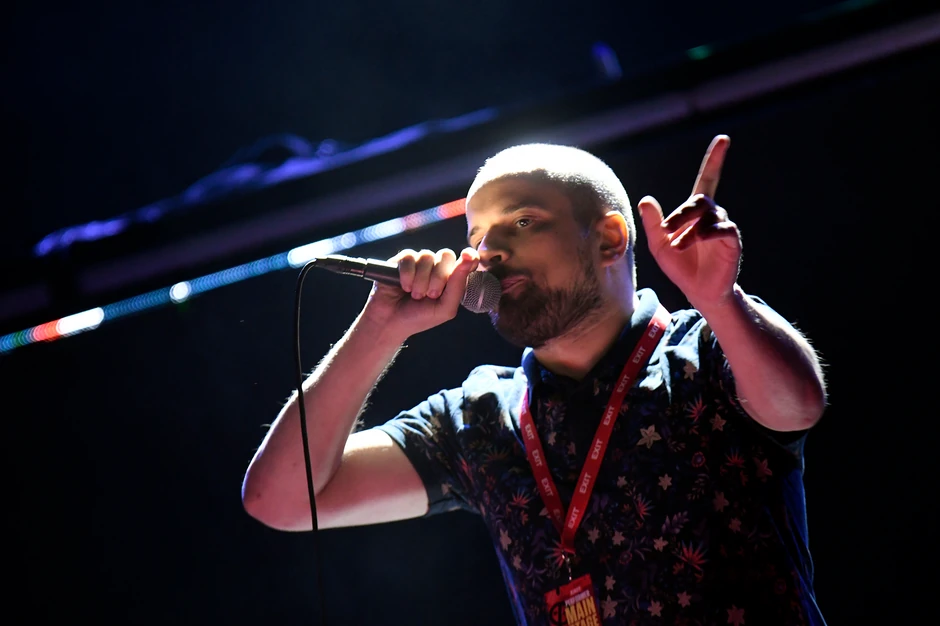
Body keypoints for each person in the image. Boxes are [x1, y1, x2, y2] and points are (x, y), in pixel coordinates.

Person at [242, 135, 828, 625]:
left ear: (609, 239)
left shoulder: (703, 347)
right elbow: (280, 500)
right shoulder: (478, 418)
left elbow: (798, 404)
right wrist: (379, 329)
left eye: (522, 222)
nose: (488, 253)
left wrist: (721, 301)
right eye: (476, 238)